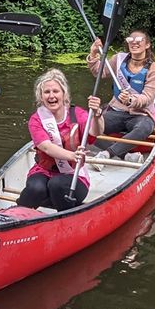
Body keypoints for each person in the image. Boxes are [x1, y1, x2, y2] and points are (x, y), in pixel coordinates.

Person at [16, 69, 104, 211]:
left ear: (64, 94)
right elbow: (46, 147)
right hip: (44, 170)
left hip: (73, 174)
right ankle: (16, 214)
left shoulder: (77, 114)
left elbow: (96, 132)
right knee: (35, 188)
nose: (51, 96)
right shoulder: (36, 119)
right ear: (41, 97)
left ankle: (65, 214)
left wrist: (97, 115)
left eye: (56, 91)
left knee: (57, 185)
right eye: (47, 92)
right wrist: (72, 155)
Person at [89, 29, 155, 161]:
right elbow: (99, 72)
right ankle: (125, 155)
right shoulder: (118, 59)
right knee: (88, 125)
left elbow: (147, 98)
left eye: (139, 40)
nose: (134, 43)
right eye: (130, 40)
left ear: (147, 44)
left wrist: (130, 100)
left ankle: (107, 154)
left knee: (145, 127)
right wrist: (93, 54)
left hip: (141, 114)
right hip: (116, 111)